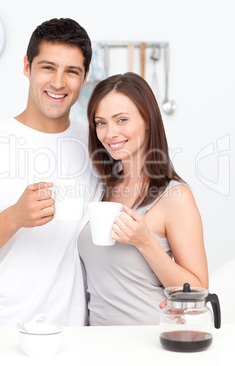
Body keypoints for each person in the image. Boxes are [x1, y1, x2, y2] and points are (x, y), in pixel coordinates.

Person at [0, 18, 99, 327]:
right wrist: (14, 217)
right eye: (48, 67)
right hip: (2, 333)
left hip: (76, 336)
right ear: (27, 67)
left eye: (72, 71)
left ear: (84, 79)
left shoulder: (98, 145)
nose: (58, 82)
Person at [78, 72, 209, 326]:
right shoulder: (100, 189)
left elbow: (198, 292)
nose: (110, 133)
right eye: (101, 122)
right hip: (96, 345)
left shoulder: (174, 196)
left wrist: (146, 242)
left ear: (147, 120)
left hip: (149, 343)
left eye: (122, 120)